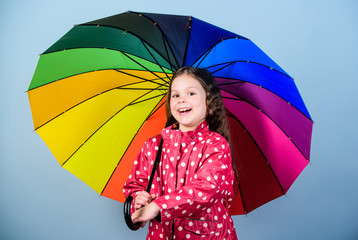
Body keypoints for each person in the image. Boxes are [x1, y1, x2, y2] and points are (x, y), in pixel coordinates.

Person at [123, 66, 238, 239]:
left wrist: (158, 206)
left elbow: (206, 188)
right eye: (175, 95)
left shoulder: (215, 145)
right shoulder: (153, 145)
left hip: (208, 235)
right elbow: (135, 185)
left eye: (191, 93)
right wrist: (138, 200)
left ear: (208, 100)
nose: (181, 100)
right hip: (160, 235)